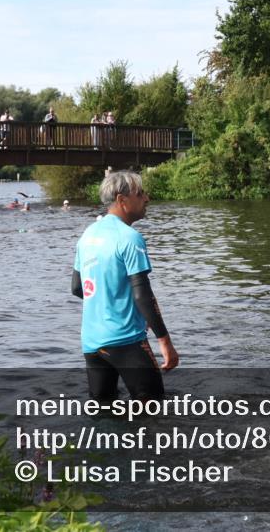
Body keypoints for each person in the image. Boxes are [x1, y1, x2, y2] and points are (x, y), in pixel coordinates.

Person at [71, 171, 179, 401]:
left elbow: (77, 288)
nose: (147, 198)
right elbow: (143, 296)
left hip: (92, 343)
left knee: (104, 415)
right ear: (122, 200)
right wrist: (165, 342)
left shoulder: (87, 236)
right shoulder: (129, 237)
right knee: (153, 413)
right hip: (126, 341)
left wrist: (108, 303)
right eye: (140, 194)